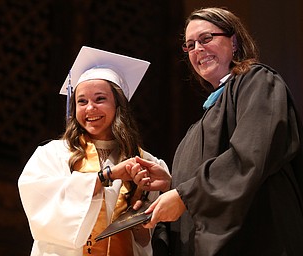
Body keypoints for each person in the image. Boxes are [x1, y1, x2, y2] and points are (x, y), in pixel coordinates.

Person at [129, 7, 303, 256]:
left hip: (257, 241)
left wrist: (184, 195)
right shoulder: (198, 125)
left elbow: (251, 156)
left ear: (233, 41)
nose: (197, 49)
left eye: (206, 38)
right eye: (189, 45)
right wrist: (171, 185)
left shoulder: (259, 82)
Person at [18, 46, 169, 256]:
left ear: (118, 106)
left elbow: (144, 242)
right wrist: (109, 175)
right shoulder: (52, 155)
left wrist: (136, 207)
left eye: (100, 99)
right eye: (82, 101)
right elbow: (43, 217)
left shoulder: (145, 162)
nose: (90, 108)